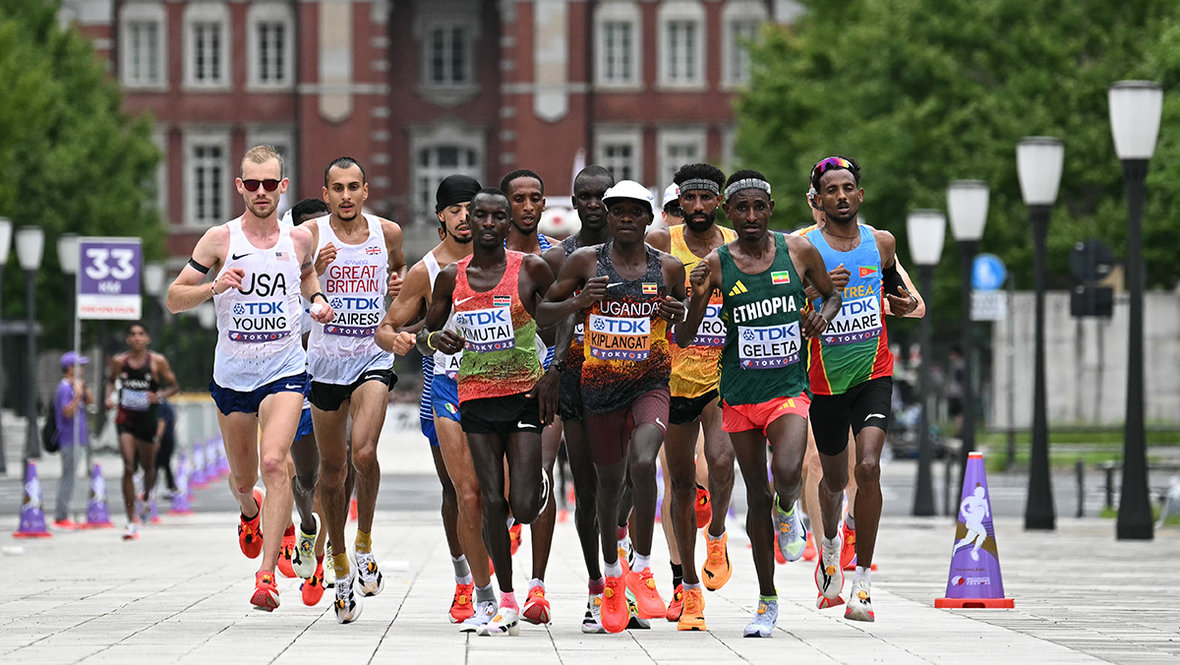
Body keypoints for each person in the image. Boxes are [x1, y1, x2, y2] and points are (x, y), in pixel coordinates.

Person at [166, 144, 335, 612]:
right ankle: (249, 510)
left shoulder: (300, 239)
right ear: (240, 186)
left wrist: (317, 301)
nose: (261, 193)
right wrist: (212, 287)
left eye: (270, 184)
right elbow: (174, 297)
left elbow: (305, 280)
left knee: (276, 464)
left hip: (283, 369)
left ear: (283, 187)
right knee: (244, 478)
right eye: (252, 184)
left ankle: (266, 578)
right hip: (233, 374)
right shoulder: (219, 240)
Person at [679, 170, 841, 636]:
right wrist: (693, 300)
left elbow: (830, 298)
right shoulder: (715, 264)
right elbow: (687, 337)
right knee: (755, 494)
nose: (751, 216)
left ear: (770, 209)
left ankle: (789, 510)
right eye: (742, 209)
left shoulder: (797, 251)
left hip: (787, 387)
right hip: (740, 394)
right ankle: (767, 600)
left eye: (759, 207)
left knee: (788, 471)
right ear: (729, 214)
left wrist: (819, 319)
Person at [537, 179, 689, 634]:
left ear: (649, 218)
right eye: (617, 210)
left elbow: (682, 328)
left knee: (643, 463)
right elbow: (543, 310)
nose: (625, 217)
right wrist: (579, 302)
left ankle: (642, 565)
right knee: (605, 491)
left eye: (634, 211)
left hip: (650, 382)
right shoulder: (585, 261)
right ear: (606, 214)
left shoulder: (669, 267)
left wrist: (678, 313)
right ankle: (609, 574)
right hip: (597, 386)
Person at [417, 187, 559, 636]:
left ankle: (537, 480)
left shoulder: (530, 268)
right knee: (487, 500)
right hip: (474, 397)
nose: (491, 224)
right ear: (469, 222)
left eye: (500, 217)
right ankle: (506, 599)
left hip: (521, 394)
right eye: (483, 216)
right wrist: (433, 340)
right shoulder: (449, 277)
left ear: (507, 223)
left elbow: (561, 316)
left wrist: (552, 373)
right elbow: (426, 331)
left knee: (521, 502)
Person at [802, 155, 920, 622]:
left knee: (868, 468)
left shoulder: (882, 242)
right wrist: (814, 296)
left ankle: (863, 585)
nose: (842, 196)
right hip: (826, 381)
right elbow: (786, 302)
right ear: (819, 200)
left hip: (874, 370)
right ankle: (830, 547)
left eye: (848, 187)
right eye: (832, 190)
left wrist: (902, 301)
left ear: (860, 194)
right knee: (833, 481)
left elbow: (899, 291)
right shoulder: (803, 247)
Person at [375, 174, 496, 630]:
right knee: (457, 491)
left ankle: (493, 557)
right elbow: (386, 329)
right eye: (456, 209)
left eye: (473, 208)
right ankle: (465, 580)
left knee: (497, 494)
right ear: (440, 216)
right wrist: (409, 337)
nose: (466, 218)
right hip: (442, 390)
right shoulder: (426, 270)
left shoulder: (504, 261)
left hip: (498, 386)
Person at [304, 156, 406, 623]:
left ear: (366, 191)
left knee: (363, 453)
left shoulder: (388, 233)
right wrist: (313, 277)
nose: (345, 196)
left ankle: (364, 542)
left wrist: (399, 289)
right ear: (325, 194)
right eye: (336, 188)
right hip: (325, 362)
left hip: (371, 355)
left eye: (353, 187)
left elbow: (401, 279)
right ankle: (340, 563)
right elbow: (294, 290)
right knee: (332, 469)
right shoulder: (309, 237)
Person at [644, 163, 738, 630]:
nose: (697, 208)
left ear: (717, 200)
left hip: (722, 376)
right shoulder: (662, 244)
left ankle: (717, 536)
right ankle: (685, 587)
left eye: (706, 199)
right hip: (670, 379)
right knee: (678, 486)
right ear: (678, 203)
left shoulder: (735, 246)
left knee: (721, 461)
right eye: (688, 200)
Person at [538, 165, 614, 632]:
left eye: (599, 196)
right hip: (576, 378)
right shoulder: (561, 257)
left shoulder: (642, 253)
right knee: (587, 492)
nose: (591, 204)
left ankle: (624, 570)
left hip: (631, 378)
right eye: (583, 196)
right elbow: (545, 323)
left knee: (623, 490)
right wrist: (575, 304)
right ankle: (596, 589)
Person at [500, 168, 563, 625]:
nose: (526, 206)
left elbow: (564, 319)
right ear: (504, 206)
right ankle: (498, 588)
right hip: (493, 380)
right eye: (517, 199)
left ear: (544, 205)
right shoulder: (483, 257)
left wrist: (555, 369)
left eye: (534, 198)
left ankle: (537, 586)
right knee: (501, 489)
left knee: (542, 475)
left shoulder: (556, 259)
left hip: (542, 376)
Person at [281, 197, 332, 607]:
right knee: (308, 479)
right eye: (313, 232)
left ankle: (327, 557)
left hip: (337, 380)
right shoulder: (283, 272)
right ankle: (309, 525)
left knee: (340, 468)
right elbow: (286, 338)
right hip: (299, 383)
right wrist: (314, 296)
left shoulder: (355, 267)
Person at [103, 322, 179, 540]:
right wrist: (109, 397)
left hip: (148, 419)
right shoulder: (120, 362)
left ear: (147, 339)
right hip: (125, 418)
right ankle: (129, 520)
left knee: (148, 465)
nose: (136, 338)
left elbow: (174, 385)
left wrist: (160, 396)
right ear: (128, 339)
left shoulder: (157, 362)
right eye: (132, 334)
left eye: (141, 334)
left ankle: (146, 497)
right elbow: (110, 382)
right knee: (128, 466)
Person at [53, 352, 94, 529]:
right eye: (79, 365)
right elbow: (67, 412)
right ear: (70, 368)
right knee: (68, 477)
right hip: (69, 438)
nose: (82, 369)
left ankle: (65, 513)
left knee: (73, 476)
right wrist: (77, 397)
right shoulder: (64, 388)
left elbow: (91, 404)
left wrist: (83, 390)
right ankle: (61, 515)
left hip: (79, 438)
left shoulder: (75, 385)